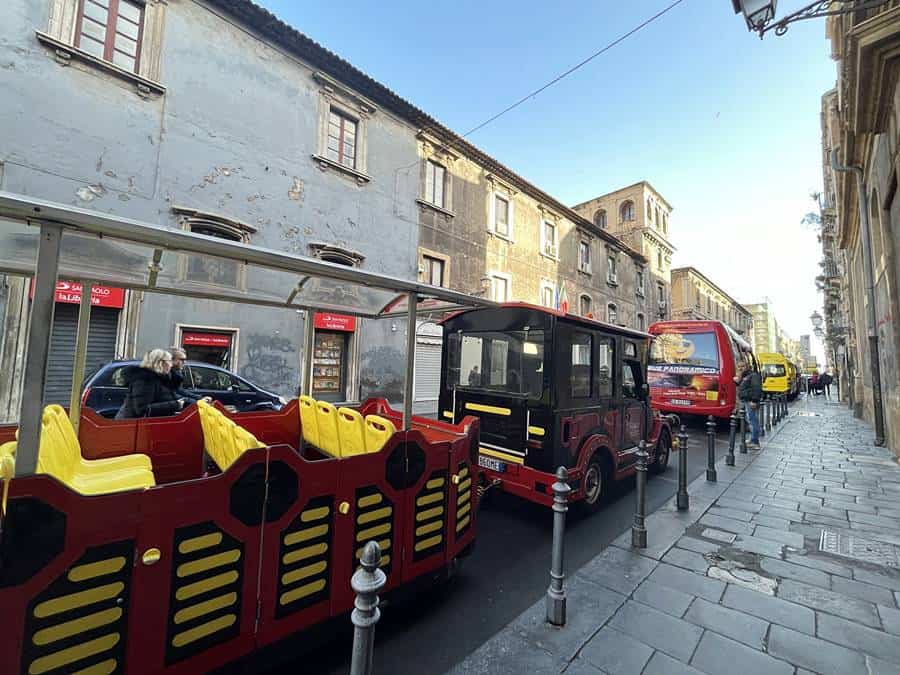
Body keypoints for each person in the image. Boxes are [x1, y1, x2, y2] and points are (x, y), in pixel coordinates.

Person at [116, 349, 186, 419]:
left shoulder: (159, 379)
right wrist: (175, 405)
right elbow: (141, 409)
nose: (171, 365)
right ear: (160, 363)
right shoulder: (145, 380)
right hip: (133, 426)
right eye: (169, 361)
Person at [735, 365, 762, 449]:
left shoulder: (753, 375)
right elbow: (744, 387)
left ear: (747, 366)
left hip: (750, 401)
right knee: (750, 420)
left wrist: (754, 401)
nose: (740, 368)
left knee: (753, 421)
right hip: (747, 401)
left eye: (742, 366)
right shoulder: (746, 376)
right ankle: (752, 439)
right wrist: (737, 382)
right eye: (739, 366)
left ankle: (755, 442)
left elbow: (756, 388)